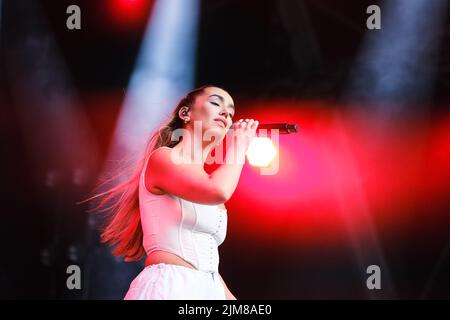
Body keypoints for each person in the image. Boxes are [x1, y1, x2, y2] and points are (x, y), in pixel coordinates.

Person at [87, 85, 258, 300]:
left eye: (231, 112)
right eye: (216, 103)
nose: (226, 113)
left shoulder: (206, 179)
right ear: (185, 113)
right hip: (170, 286)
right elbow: (219, 190)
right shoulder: (163, 158)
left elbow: (209, 268)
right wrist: (239, 147)